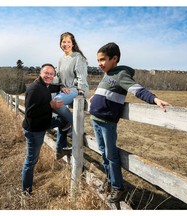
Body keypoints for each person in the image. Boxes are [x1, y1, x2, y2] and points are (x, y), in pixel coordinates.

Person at [89, 42, 170, 203]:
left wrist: (154, 99)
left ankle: (118, 187)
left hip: (107, 123)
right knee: (103, 154)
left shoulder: (121, 75)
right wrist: (94, 97)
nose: (99, 64)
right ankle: (110, 182)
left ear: (114, 58)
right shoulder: (107, 74)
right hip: (95, 119)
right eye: (98, 60)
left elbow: (137, 90)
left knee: (111, 156)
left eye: (103, 60)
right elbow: (105, 92)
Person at [21, 63, 70, 195]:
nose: (49, 76)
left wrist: (62, 87)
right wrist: (51, 105)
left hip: (44, 123)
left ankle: (60, 148)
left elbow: (55, 86)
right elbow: (30, 113)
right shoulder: (34, 89)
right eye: (46, 73)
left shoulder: (45, 85)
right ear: (40, 73)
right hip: (34, 129)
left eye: (51, 74)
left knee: (65, 121)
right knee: (31, 160)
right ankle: (26, 192)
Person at [53, 32, 89, 133]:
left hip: (77, 89)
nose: (66, 44)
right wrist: (47, 79)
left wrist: (81, 93)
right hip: (65, 90)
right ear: (60, 44)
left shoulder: (78, 57)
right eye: (64, 42)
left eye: (69, 42)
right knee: (49, 102)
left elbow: (81, 76)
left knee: (55, 102)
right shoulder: (60, 59)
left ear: (73, 44)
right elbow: (58, 77)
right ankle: (68, 122)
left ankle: (74, 124)